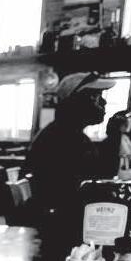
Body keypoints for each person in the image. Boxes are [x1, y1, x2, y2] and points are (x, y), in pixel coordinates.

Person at [26, 72, 123, 211]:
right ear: (76, 102)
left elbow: (100, 176)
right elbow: (100, 178)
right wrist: (114, 135)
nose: (103, 102)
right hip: (59, 219)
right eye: (95, 96)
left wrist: (114, 135)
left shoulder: (69, 133)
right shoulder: (62, 138)